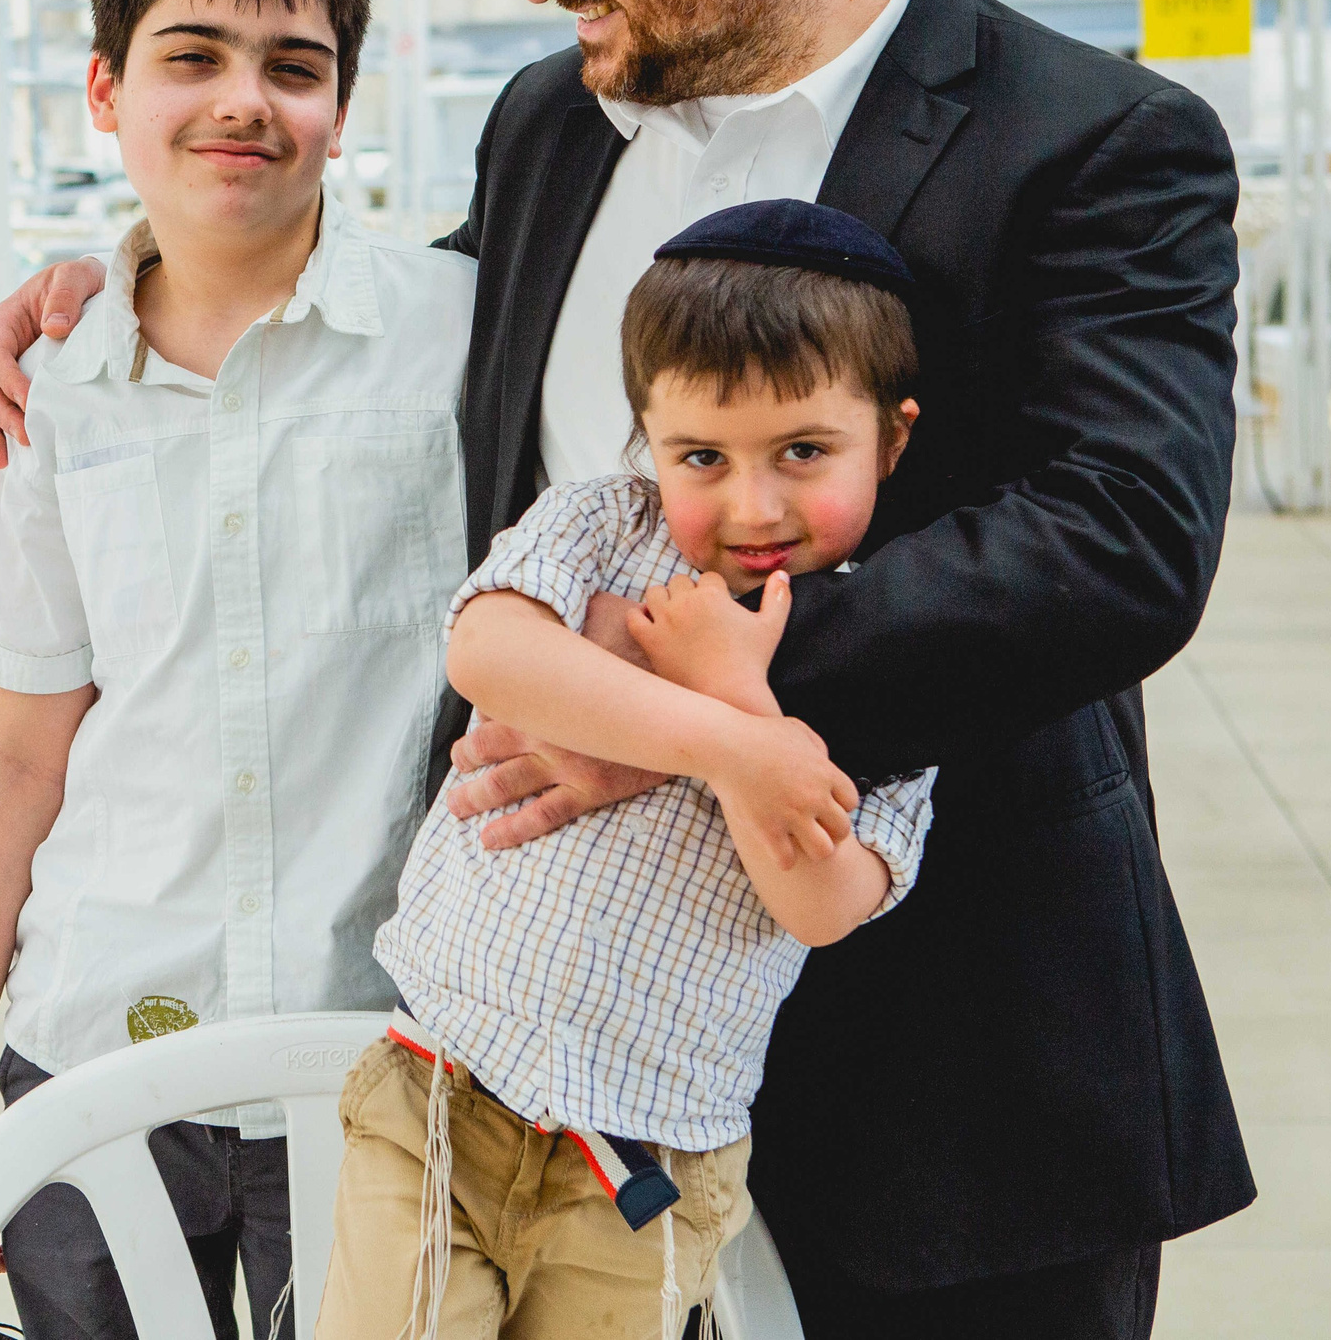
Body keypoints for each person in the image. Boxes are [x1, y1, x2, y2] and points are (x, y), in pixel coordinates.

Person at [0, 0, 1253, 1339]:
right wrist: (122, 284)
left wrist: (665, 708)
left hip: (946, 1062)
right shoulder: (551, 117)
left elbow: (1123, 536)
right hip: (541, 1084)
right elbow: (397, 322)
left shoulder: (1092, 137)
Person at [0, 0, 485, 1340]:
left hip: (383, 1051)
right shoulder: (51, 382)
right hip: (96, 1046)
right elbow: (25, 747)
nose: (244, 99)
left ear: (341, 109)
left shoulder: (460, 338)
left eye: (294, 66)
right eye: (192, 56)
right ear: (107, 90)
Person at [317, 200, 938, 1340]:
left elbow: (823, 902)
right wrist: (728, 742)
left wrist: (746, 694)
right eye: (702, 456)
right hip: (445, 1086)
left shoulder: (892, 647)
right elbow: (486, 648)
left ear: (892, 439)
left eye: (803, 451)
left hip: (652, 1153)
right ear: (646, 437)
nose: (753, 504)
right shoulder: (607, 522)